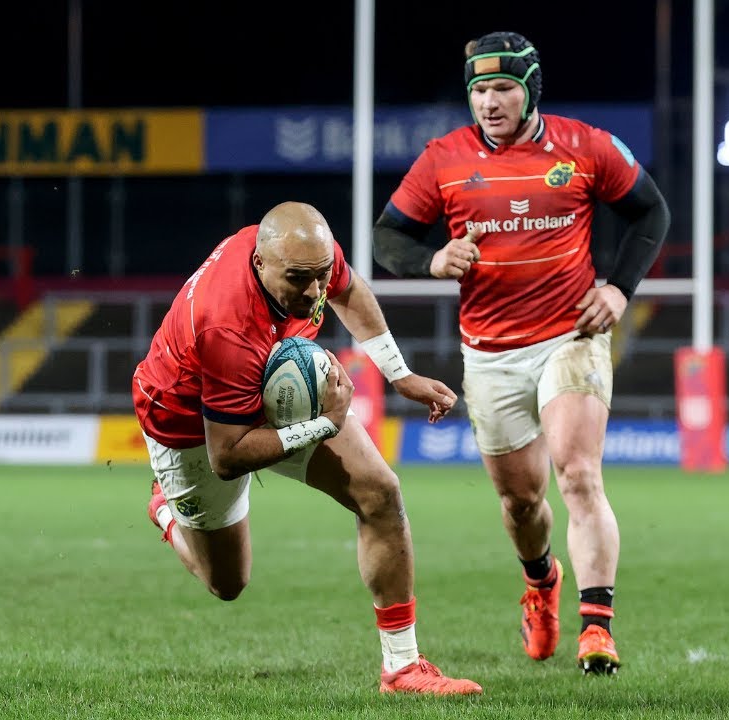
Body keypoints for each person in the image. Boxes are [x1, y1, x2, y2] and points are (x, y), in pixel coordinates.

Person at [372, 31, 670, 675]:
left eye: (503, 87)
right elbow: (386, 236)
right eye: (479, 89)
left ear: (530, 88)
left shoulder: (584, 145)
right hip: (489, 354)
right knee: (521, 502)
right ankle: (541, 583)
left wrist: (618, 288)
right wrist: (432, 259)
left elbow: (650, 211)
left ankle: (597, 628)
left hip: (572, 336)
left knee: (578, 473)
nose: (489, 101)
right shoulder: (443, 159)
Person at [134, 201, 482, 696]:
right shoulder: (225, 324)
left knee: (380, 492)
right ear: (261, 264)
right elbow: (227, 456)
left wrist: (399, 374)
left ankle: (402, 668)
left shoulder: (305, 250)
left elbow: (350, 290)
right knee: (227, 583)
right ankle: (166, 510)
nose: (314, 291)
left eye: (320, 276)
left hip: (272, 387)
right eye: (299, 280)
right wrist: (324, 424)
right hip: (191, 425)